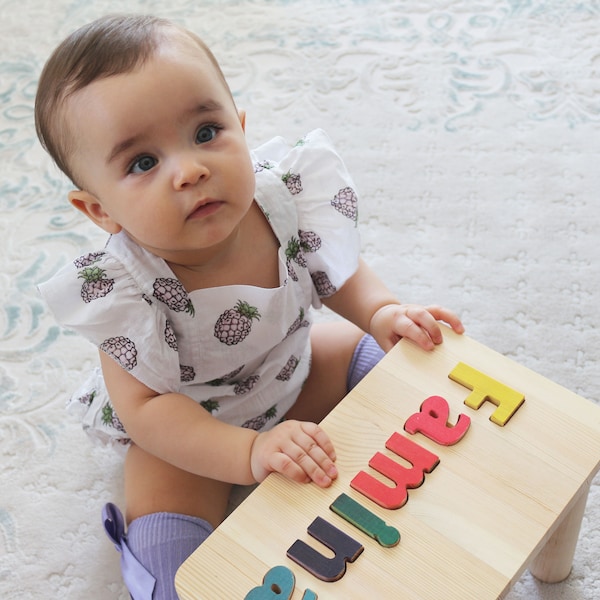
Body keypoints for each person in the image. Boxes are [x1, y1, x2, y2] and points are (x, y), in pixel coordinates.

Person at [35, 14, 464, 600]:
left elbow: (332, 270)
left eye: (206, 131)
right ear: (99, 210)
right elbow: (148, 411)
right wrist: (249, 451)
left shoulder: (281, 198)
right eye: (142, 163)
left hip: (291, 368)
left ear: (240, 125)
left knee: (407, 367)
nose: (191, 169)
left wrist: (382, 312)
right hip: (191, 428)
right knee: (173, 566)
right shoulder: (127, 291)